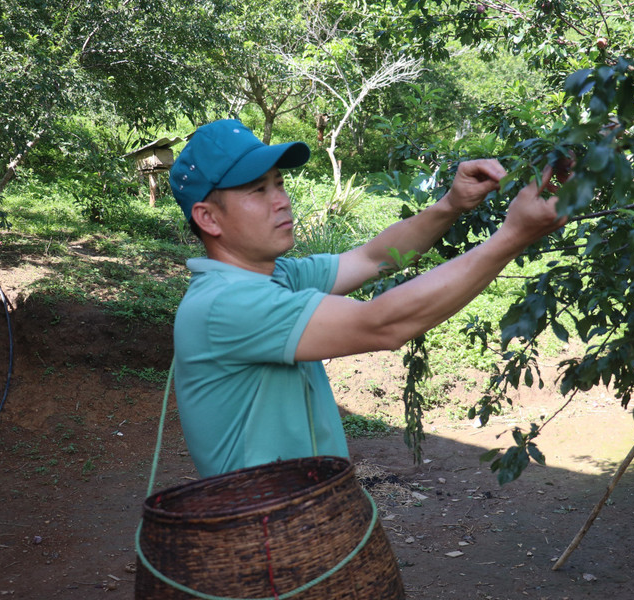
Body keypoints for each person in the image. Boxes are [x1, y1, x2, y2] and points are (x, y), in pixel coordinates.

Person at [169, 119, 566, 478]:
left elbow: (372, 257)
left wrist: (452, 203)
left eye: (279, 183)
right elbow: (382, 324)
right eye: (258, 190)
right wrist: (512, 236)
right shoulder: (226, 306)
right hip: (269, 544)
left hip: (307, 522)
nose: (281, 199)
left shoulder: (278, 276)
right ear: (208, 218)